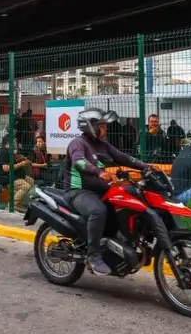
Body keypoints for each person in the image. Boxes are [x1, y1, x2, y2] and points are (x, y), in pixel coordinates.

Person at [63, 108, 148, 275]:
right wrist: (99, 172)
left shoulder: (103, 145)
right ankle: (93, 256)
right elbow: (79, 162)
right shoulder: (78, 143)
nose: (106, 129)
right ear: (91, 126)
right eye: (102, 126)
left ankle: (114, 247)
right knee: (98, 210)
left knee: (124, 206)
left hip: (100, 191)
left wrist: (146, 167)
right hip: (78, 192)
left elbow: (123, 158)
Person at [0, 135, 34, 213]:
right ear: (8, 142)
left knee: (31, 181)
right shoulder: (3, 152)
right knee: (25, 186)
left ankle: (18, 204)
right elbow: (6, 168)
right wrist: (21, 164)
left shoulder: (10, 151)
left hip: (14, 175)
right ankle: (11, 206)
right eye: (14, 141)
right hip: (5, 178)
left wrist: (20, 159)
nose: (16, 143)